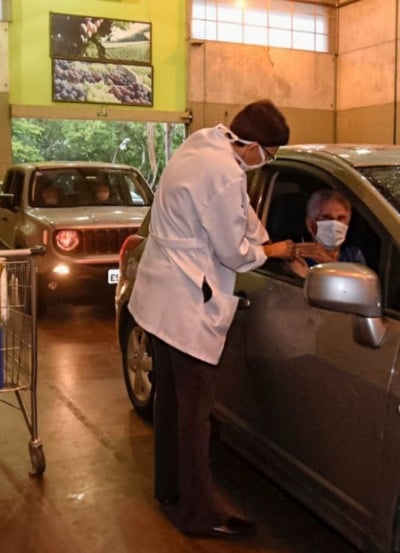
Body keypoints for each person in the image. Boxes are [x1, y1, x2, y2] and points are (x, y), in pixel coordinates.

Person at [128, 99, 294, 539]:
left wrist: (264, 234)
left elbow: (242, 211)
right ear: (255, 146)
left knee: (170, 403)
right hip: (186, 300)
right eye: (270, 155)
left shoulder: (203, 144)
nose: (267, 163)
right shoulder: (224, 172)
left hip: (161, 296)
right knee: (194, 415)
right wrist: (272, 252)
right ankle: (200, 515)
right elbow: (232, 253)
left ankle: (170, 491)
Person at [290, 189, 367, 278]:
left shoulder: (353, 255)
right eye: (327, 217)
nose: (334, 224)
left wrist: (329, 262)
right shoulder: (300, 258)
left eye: (341, 218)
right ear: (310, 223)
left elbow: (360, 288)